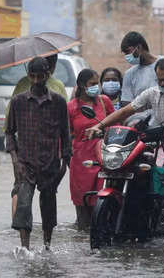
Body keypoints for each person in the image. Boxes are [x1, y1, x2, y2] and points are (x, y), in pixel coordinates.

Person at [85, 58, 164, 236]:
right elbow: (125, 111)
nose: (162, 84)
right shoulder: (152, 94)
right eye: (159, 80)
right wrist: (98, 126)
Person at [5, 56, 71, 250]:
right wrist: (15, 161)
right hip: (25, 164)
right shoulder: (18, 102)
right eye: (32, 76)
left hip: (50, 163)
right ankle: (25, 248)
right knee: (23, 206)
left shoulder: (58, 102)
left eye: (40, 76)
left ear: (47, 75)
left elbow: (65, 135)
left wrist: (64, 165)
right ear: (28, 75)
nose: (36, 81)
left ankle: (47, 245)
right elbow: (9, 132)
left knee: (48, 208)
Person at [67, 69, 115, 230]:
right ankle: (83, 248)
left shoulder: (104, 101)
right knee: (82, 206)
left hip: (103, 158)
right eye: (92, 84)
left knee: (102, 203)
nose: (97, 87)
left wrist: (104, 132)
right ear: (82, 85)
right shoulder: (71, 107)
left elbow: (116, 125)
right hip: (81, 161)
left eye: (97, 83)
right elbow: (65, 135)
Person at [120, 31, 164, 108]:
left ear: (139, 47)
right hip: (141, 118)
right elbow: (127, 103)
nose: (127, 56)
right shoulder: (129, 74)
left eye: (128, 52)